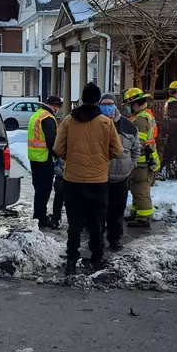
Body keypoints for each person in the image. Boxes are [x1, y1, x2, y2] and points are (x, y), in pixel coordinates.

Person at [53, 82, 123, 274]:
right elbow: (117, 150)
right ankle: (96, 259)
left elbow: (58, 148)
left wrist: (72, 159)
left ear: (82, 98)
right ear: (97, 100)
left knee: (74, 223)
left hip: (72, 180)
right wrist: (100, 160)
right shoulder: (106, 123)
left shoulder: (68, 121)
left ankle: (71, 260)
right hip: (98, 181)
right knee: (96, 222)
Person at [99, 93, 141, 251]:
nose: (107, 107)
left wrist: (131, 164)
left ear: (115, 105)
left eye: (110, 103)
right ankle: (97, 240)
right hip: (100, 177)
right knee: (99, 211)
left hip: (121, 177)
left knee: (117, 212)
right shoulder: (95, 124)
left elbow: (136, 149)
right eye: (104, 104)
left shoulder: (128, 125)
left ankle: (114, 240)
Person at [123, 88, 161, 228]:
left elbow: (139, 143)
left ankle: (143, 218)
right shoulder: (145, 114)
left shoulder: (140, 119)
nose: (128, 108)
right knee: (136, 188)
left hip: (142, 161)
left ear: (135, 104)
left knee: (140, 189)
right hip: (145, 159)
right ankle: (136, 213)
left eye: (129, 105)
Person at [27, 95, 63, 228]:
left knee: (39, 189)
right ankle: (40, 218)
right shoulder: (48, 118)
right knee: (44, 190)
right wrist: (59, 155)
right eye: (58, 107)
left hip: (34, 158)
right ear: (55, 107)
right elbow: (52, 142)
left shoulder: (37, 115)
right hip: (44, 159)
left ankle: (38, 215)